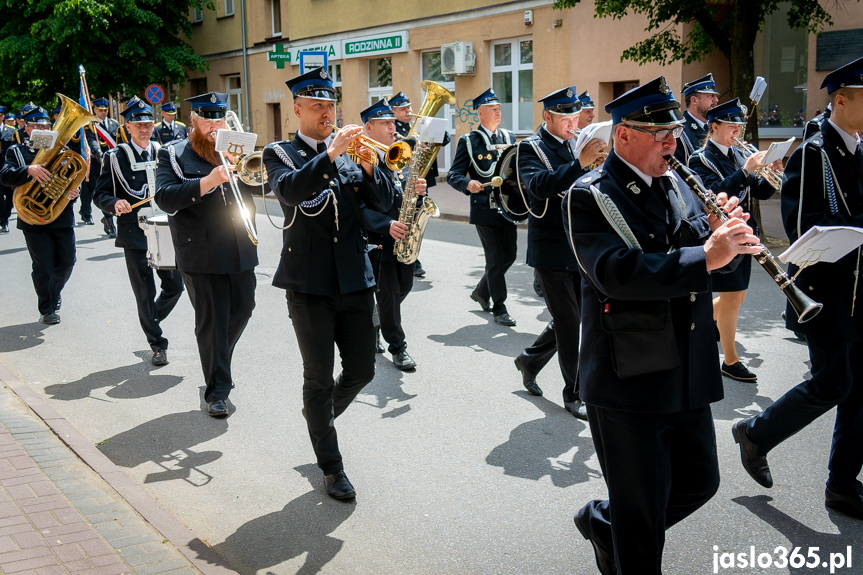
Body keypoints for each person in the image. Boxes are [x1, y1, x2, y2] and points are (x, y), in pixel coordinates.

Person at [564, 77, 760, 574]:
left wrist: (721, 234)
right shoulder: (591, 194)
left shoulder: (675, 182)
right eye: (660, 134)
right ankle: (626, 533)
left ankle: (608, 526)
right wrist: (706, 254)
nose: (673, 143)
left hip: (686, 366)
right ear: (623, 136)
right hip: (630, 375)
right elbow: (615, 273)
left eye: (674, 131)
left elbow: (694, 241)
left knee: (699, 482)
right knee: (642, 514)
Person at [731, 56, 863, 521]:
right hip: (825, 293)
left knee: (858, 390)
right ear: (841, 99)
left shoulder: (860, 148)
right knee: (834, 383)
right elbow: (801, 226)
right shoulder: (815, 152)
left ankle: (843, 487)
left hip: (859, 291)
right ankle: (756, 433)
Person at [262, 67, 393, 501]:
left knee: (363, 369)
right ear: (297, 109)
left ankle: (319, 417)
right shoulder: (279, 153)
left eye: (330, 104)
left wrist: (374, 170)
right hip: (309, 284)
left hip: (356, 278)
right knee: (317, 378)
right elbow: (292, 192)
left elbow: (381, 205)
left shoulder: (356, 154)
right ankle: (332, 467)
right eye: (317, 105)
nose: (326, 111)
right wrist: (331, 154)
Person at [154, 92, 258, 417]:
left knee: (243, 309)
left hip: (240, 246)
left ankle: (218, 361)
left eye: (220, 118)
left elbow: (257, 186)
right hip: (201, 251)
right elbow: (165, 198)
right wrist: (209, 180)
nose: (215, 125)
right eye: (208, 119)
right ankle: (217, 391)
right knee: (212, 323)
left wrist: (249, 170)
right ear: (194, 121)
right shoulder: (172, 154)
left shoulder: (236, 148)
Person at [514, 86, 605, 420]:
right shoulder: (531, 147)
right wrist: (580, 163)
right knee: (570, 323)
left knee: (573, 317)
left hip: (580, 244)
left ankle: (529, 359)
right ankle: (574, 392)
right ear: (547, 116)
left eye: (576, 115)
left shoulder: (578, 142)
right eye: (565, 116)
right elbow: (538, 186)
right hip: (550, 248)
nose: (573, 122)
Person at [688, 98, 779, 382]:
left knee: (736, 297)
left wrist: (770, 174)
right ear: (714, 126)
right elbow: (711, 195)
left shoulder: (740, 156)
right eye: (731, 126)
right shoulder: (700, 158)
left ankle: (694, 321)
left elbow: (759, 193)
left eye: (740, 126)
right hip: (722, 236)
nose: (737, 131)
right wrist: (745, 172)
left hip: (744, 232)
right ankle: (730, 360)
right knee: (730, 298)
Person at [93, 97, 184, 366]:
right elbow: (100, 193)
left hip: (166, 231)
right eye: (138, 124)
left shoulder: (165, 152)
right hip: (134, 232)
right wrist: (113, 203)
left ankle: (150, 316)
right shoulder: (114, 156)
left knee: (174, 287)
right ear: (127, 126)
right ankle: (157, 344)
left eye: (148, 123)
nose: (144, 128)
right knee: (144, 290)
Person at [359, 98, 427, 371]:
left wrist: (420, 194)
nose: (392, 127)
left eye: (392, 122)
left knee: (405, 287)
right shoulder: (361, 158)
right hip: (378, 240)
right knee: (388, 295)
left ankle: (375, 322)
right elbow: (359, 206)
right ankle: (398, 348)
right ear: (368, 127)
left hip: (403, 238)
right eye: (385, 123)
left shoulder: (398, 154)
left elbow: (404, 195)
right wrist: (385, 224)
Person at [0, 106, 82, 324]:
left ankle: (53, 291)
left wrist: (74, 192)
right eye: (36, 126)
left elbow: (72, 178)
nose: (41, 129)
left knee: (67, 261)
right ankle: (47, 307)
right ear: (27, 129)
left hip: (61, 215)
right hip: (32, 218)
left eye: (45, 126)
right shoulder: (16, 152)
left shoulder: (63, 151)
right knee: (43, 264)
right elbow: (5, 176)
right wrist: (28, 170)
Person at [447, 88, 517, 326]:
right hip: (484, 207)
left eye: (499, 108)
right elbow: (454, 174)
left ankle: (481, 291)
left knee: (510, 256)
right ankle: (500, 307)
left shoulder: (509, 137)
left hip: (508, 206)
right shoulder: (470, 141)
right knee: (495, 259)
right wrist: (468, 183)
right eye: (493, 109)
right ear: (480, 113)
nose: (498, 112)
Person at [90, 97, 120, 237]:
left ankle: (111, 217)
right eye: (100, 110)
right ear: (95, 110)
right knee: (103, 193)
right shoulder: (90, 126)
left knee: (116, 192)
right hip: (99, 164)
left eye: (105, 110)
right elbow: (92, 142)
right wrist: (99, 154)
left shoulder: (115, 124)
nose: (103, 112)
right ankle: (109, 222)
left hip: (114, 164)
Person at [674, 74, 720, 164]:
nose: (716, 100)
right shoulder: (679, 131)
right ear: (694, 100)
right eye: (711, 96)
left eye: (716, 96)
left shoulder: (715, 127)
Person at [0, 105, 16, 234]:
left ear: (2, 117)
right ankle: (3, 221)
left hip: (7, 168)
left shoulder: (11, 131)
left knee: (10, 195)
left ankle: (5, 216)